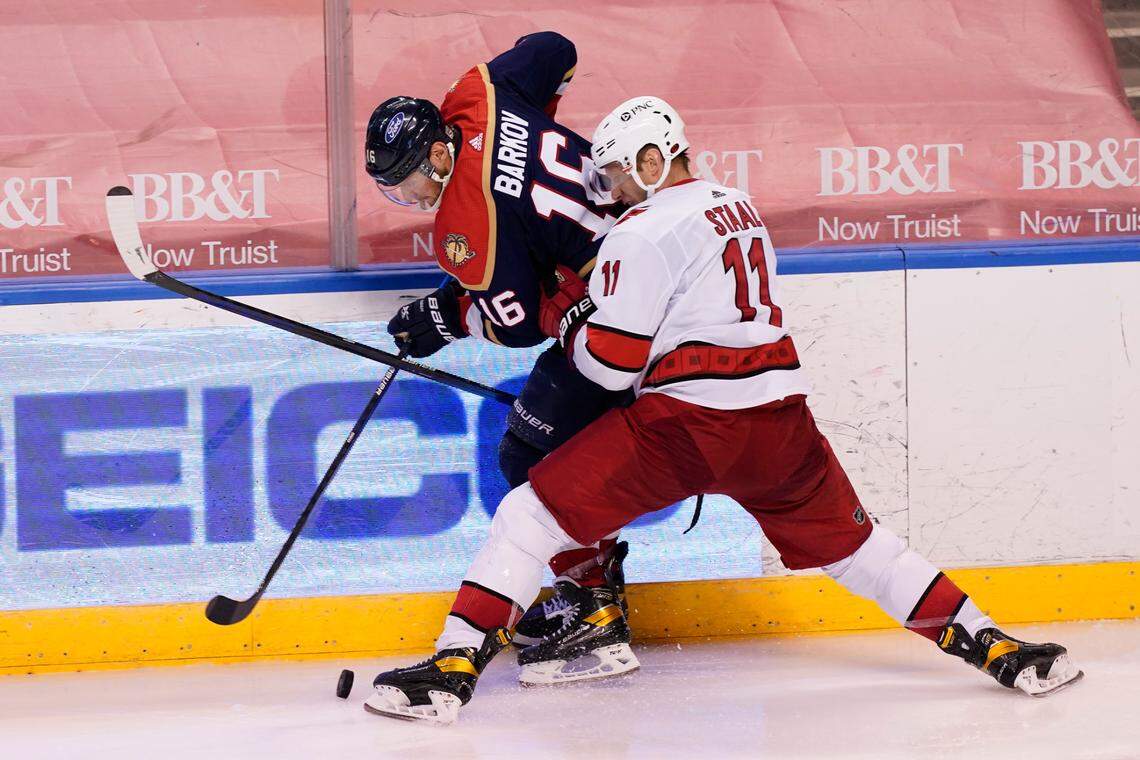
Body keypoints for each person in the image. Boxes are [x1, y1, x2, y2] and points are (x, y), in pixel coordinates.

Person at [363, 96, 1083, 725]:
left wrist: (564, 316)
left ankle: (452, 671)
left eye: (615, 176)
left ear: (651, 161)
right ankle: (998, 647)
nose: (611, 194)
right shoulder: (738, 205)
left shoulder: (640, 232)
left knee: (528, 513)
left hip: (687, 427)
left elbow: (611, 364)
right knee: (862, 551)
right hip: (781, 422)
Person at [364, 32, 636, 655]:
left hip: (622, 310)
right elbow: (558, 49)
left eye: (407, 182)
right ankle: (594, 586)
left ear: (439, 152)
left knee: (527, 455)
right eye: (390, 188)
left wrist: (449, 315)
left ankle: (593, 604)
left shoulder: (464, 225)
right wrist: (533, 147)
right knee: (561, 443)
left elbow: (518, 326)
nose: (407, 198)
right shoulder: (479, 94)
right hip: (649, 244)